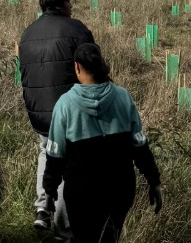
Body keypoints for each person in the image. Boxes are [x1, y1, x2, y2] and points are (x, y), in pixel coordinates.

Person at [43, 43, 162, 243]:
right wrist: (154, 180)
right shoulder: (123, 97)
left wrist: (49, 190)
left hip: (81, 192)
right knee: (109, 238)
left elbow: (55, 154)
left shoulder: (65, 104)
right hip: (119, 189)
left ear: (77, 67)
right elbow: (140, 145)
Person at [19, 0, 95, 237]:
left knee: (47, 151)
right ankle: (65, 230)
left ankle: (43, 209)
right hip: (70, 111)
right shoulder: (76, 29)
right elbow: (91, 69)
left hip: (38, 111)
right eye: (69, 2)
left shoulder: (28, 33)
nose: (72, 7)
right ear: (61, 4)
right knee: (71, 164)